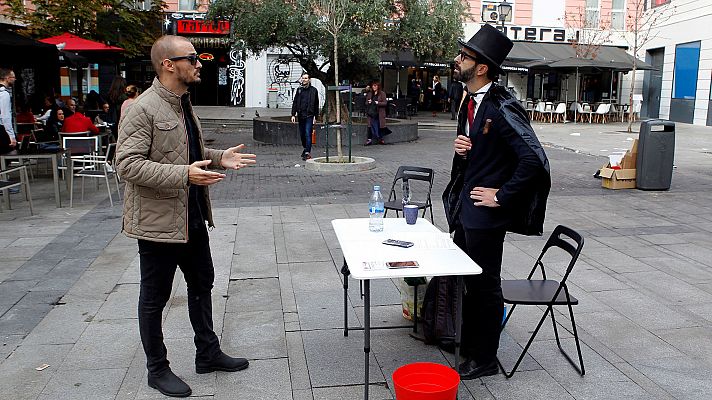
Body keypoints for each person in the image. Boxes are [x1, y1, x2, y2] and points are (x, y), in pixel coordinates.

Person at [115, 35, 256, 398]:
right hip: (157, 224)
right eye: (192, 58)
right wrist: (184, 175)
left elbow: (186, 151)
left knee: (202, 284)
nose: (199, 64)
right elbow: (127, 165)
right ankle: (156, 369)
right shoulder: (142, 108)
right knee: (154, 298)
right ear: (168, 64)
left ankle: (207, 354)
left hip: (192, 216)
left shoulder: (183, 103)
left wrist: (218, 155)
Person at [442, 24, 551, 381]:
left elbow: (533, 159)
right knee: (470, 283)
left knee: (486, 286)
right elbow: (485, 154)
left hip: (486, 219)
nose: (457, 60)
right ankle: (468, 340)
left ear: (482, 67)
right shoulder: (471, 102)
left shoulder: (502, 107)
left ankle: (485, 358)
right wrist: (464, 150)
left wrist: (501, 196)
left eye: (464, 56)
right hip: (466, 213)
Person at [290, 73, 319, 160]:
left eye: (306, 78)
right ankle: (305, 148)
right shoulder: (299, 90)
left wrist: (315, 116)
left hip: (309, 115)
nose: (304, 80)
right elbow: (295, 102)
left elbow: (316, 104)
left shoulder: (314, 90)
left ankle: (307, 153)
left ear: (309, 80)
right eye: (303, 78)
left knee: (307, 133)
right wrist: (293, 114)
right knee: (302, 135)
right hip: (300, 115)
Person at [364, 80, 387, 146]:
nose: (374, 87)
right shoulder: (370, 93)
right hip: (371, 112)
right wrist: (369, 102)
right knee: (370, 125)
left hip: (379, 112)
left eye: (375, 85)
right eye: (373, 85)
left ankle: (381, 139)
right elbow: (366, 102)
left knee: (380, 125)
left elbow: (385, 103)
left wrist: (377, 103)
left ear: (378, 86)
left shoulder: (382, 93)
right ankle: (369, 139)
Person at [0, 67, 17, 152]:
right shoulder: (4, 94)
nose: (15, 79)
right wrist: (11, 135)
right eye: (13, 77)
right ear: (7, 78)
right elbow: (5, 116)